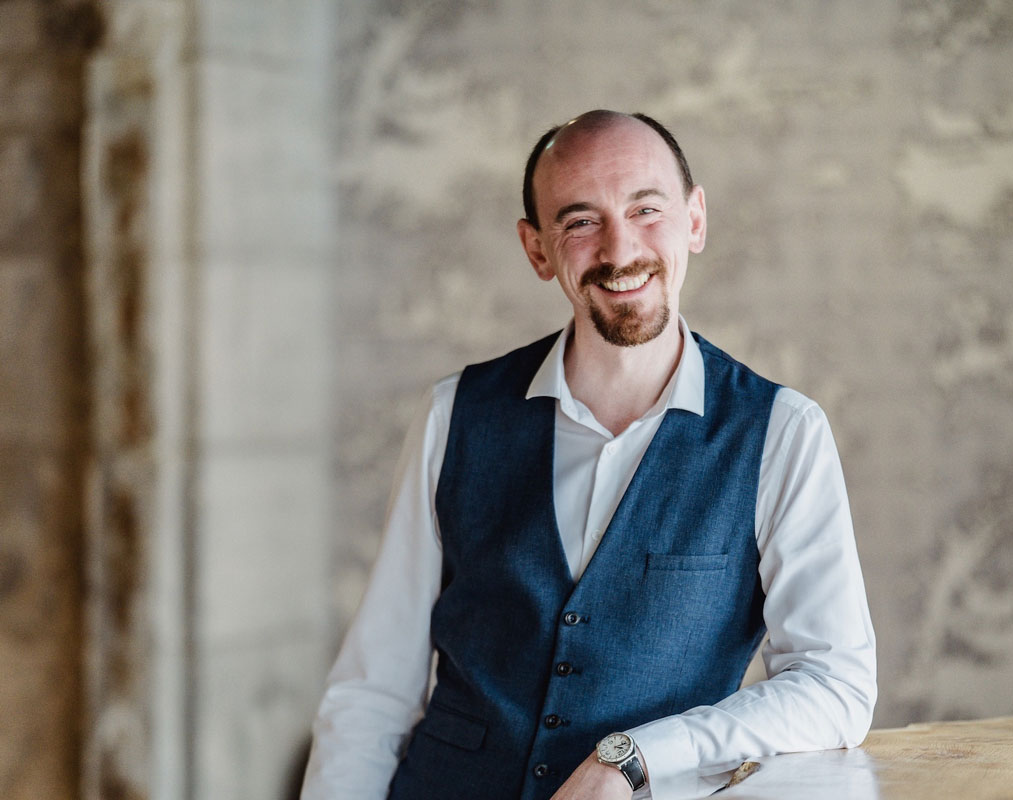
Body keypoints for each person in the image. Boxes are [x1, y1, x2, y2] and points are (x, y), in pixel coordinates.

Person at [300, 110, 876, 800]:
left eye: (646, 209)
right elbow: (372, 692)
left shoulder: (781, 433)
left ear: (695, 220)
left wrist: (638, 758)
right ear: (537, 249)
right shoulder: (455, 413)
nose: (619, 248)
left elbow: (834, 685)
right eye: (580, 221)